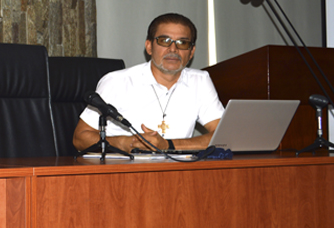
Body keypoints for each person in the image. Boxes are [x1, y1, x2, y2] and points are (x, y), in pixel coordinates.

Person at [73, 13, 224, 153]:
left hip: (177, 173)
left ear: (191, 52)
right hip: (123, 173)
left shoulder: (200, 81)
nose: (173, 49)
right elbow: (80, 138)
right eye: (164, 41)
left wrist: (168, 145)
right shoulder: (117, 82)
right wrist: (126, 142)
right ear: (149, 47)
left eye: (182, 43)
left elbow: (224, 136)